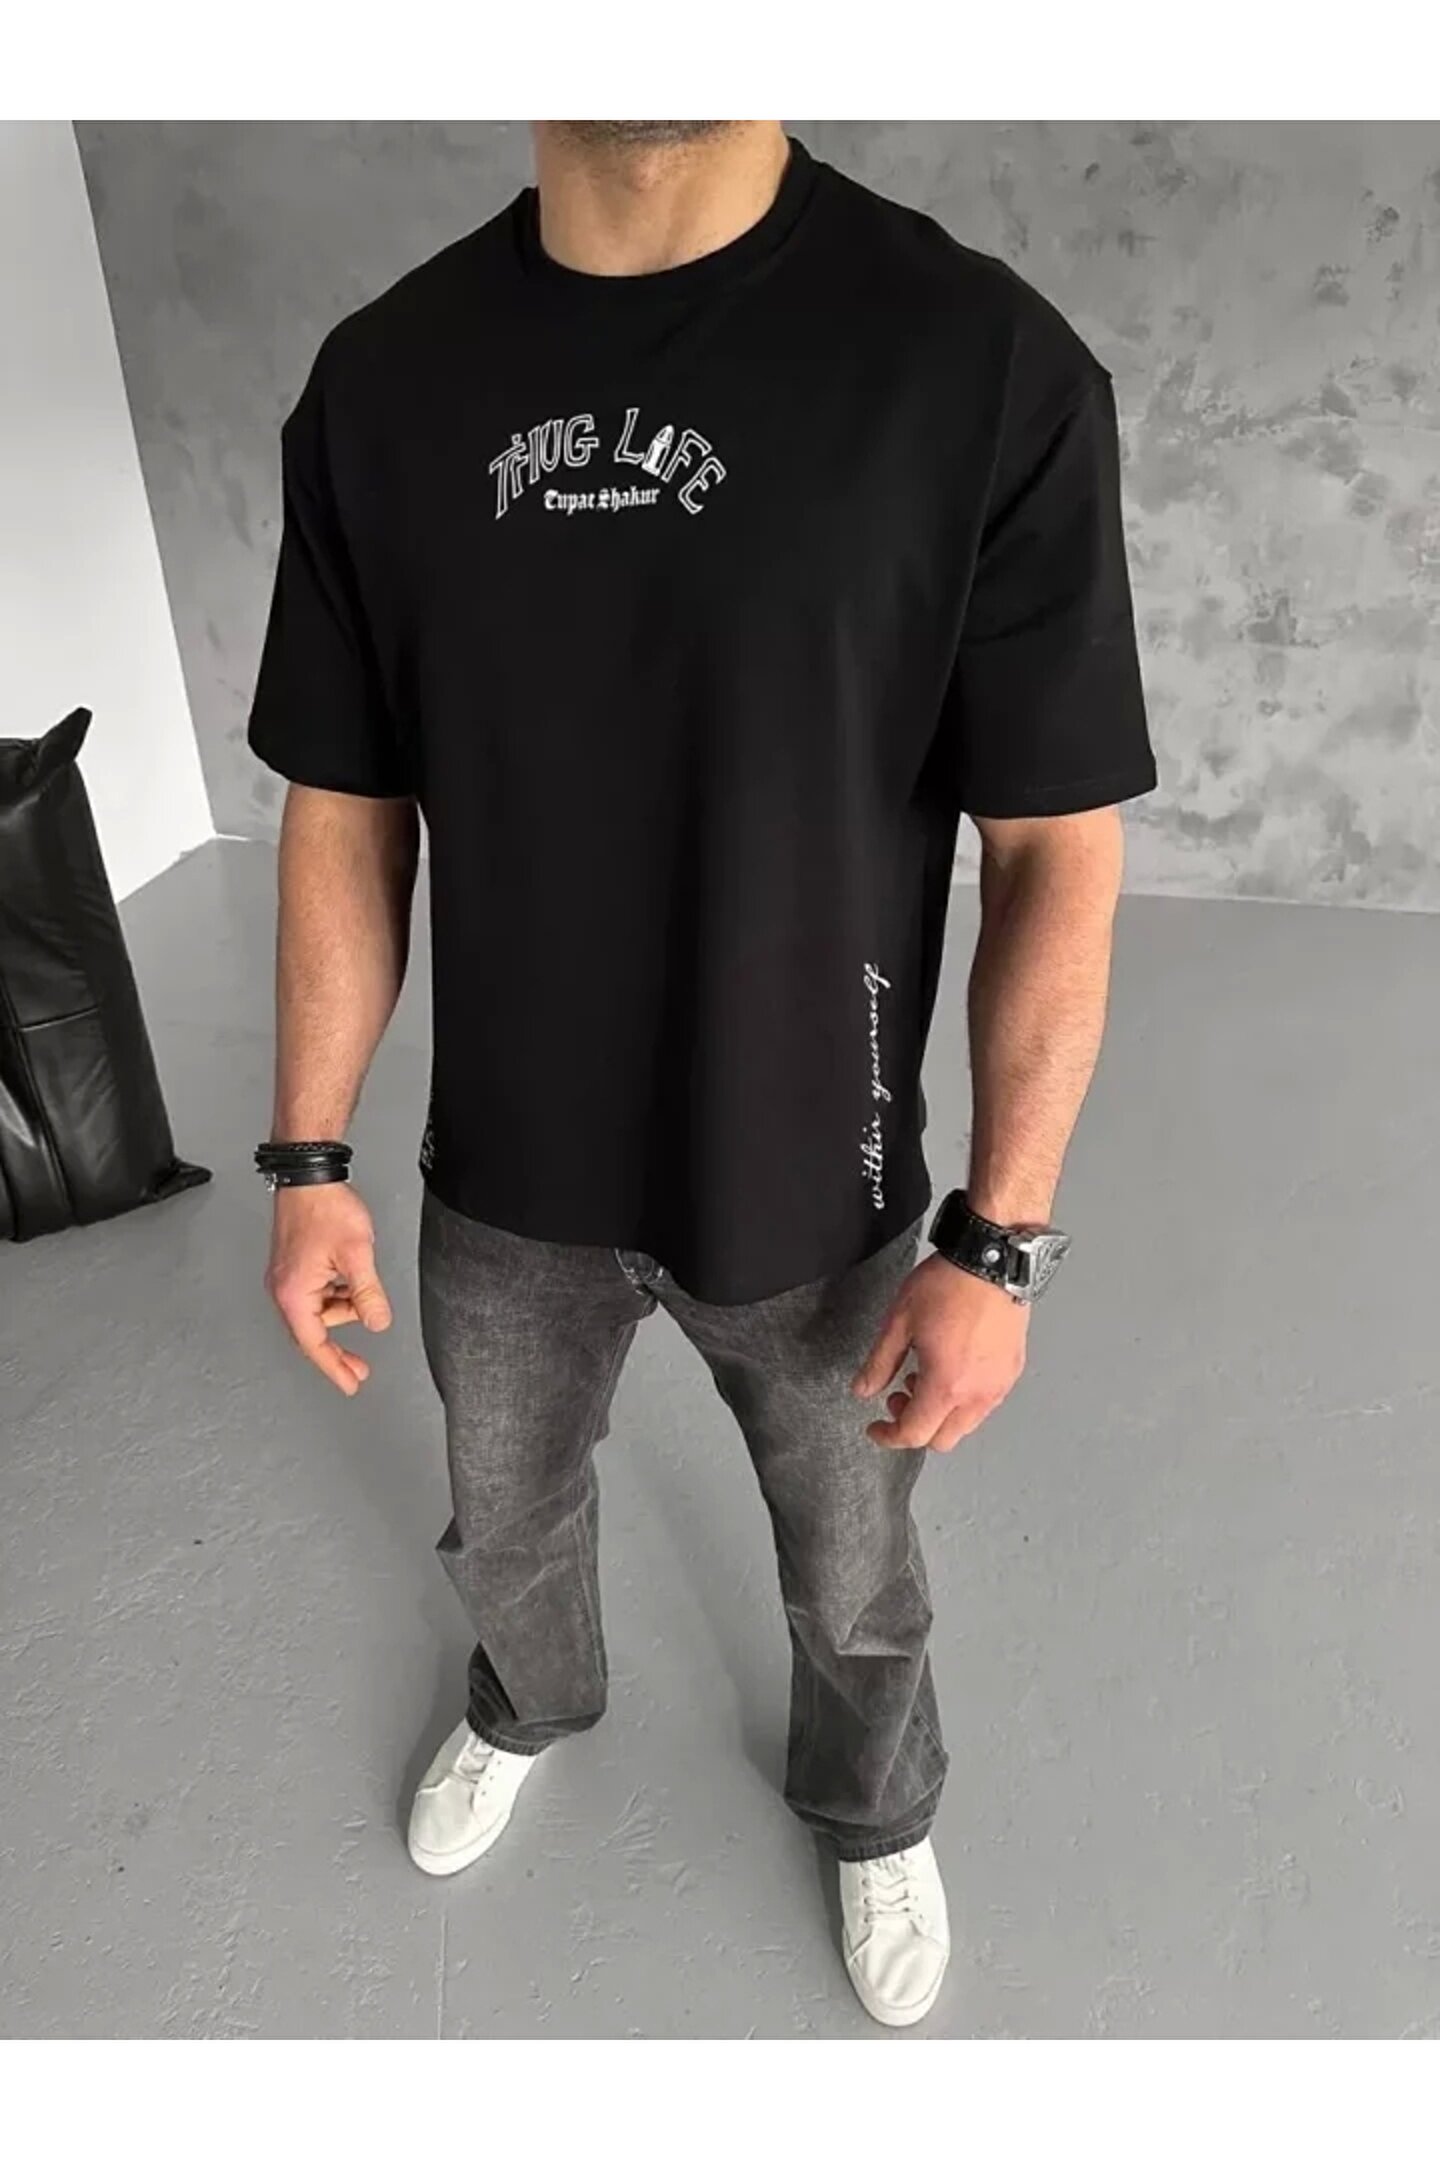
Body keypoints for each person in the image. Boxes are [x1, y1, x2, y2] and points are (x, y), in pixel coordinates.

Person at [246, 119, 1156, 2030]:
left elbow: (1056, 849)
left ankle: (875, 1805)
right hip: (507, 1172)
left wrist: (998, 1242)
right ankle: (529, 1700)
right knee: (504, 1522)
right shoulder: (385, 384)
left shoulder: (976, 366)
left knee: (853, 1570)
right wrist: (308, 1154)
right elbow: (345, 806)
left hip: (816, 1177)